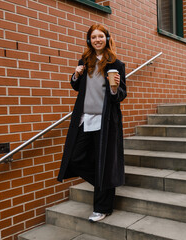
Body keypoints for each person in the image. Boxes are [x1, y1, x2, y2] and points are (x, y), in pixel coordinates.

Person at [57, 24, 127, 222]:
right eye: (94, 37)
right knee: (75, 157)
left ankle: (102, 208)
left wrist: (114, 88)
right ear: (89, 40)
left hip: (106, 121)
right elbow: (76, 86)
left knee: (104, 162)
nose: (97, 40)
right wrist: (76, 74)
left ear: (107, 38)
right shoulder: (84, 61)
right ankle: (103, 180)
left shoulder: (116, 64)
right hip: (85, 118)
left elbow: (121, 94)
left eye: (101, 36)